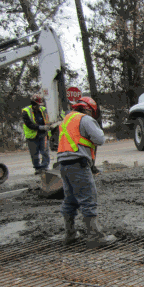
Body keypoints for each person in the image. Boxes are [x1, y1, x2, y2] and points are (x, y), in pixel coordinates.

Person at [57, 97, 116, 247]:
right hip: (78, 163)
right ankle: (95, 236)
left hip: (63, 164)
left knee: (70, 199)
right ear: (89, 109)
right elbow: (100, 139)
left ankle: (70, 234)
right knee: (88, 198)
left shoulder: (66, 119)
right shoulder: (85, 119)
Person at [22, 94, 52, 174]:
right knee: (34, 154)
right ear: (33, 104)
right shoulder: (26, 111)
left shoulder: (43, 109)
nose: (38, 107)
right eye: (37, 105)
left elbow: (48, 119)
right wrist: (40, 127)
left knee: (45, 152)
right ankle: (37, 168)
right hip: (32, 136)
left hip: (43, 135)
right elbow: (29, 124)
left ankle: (45, 167)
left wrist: (49, 126)